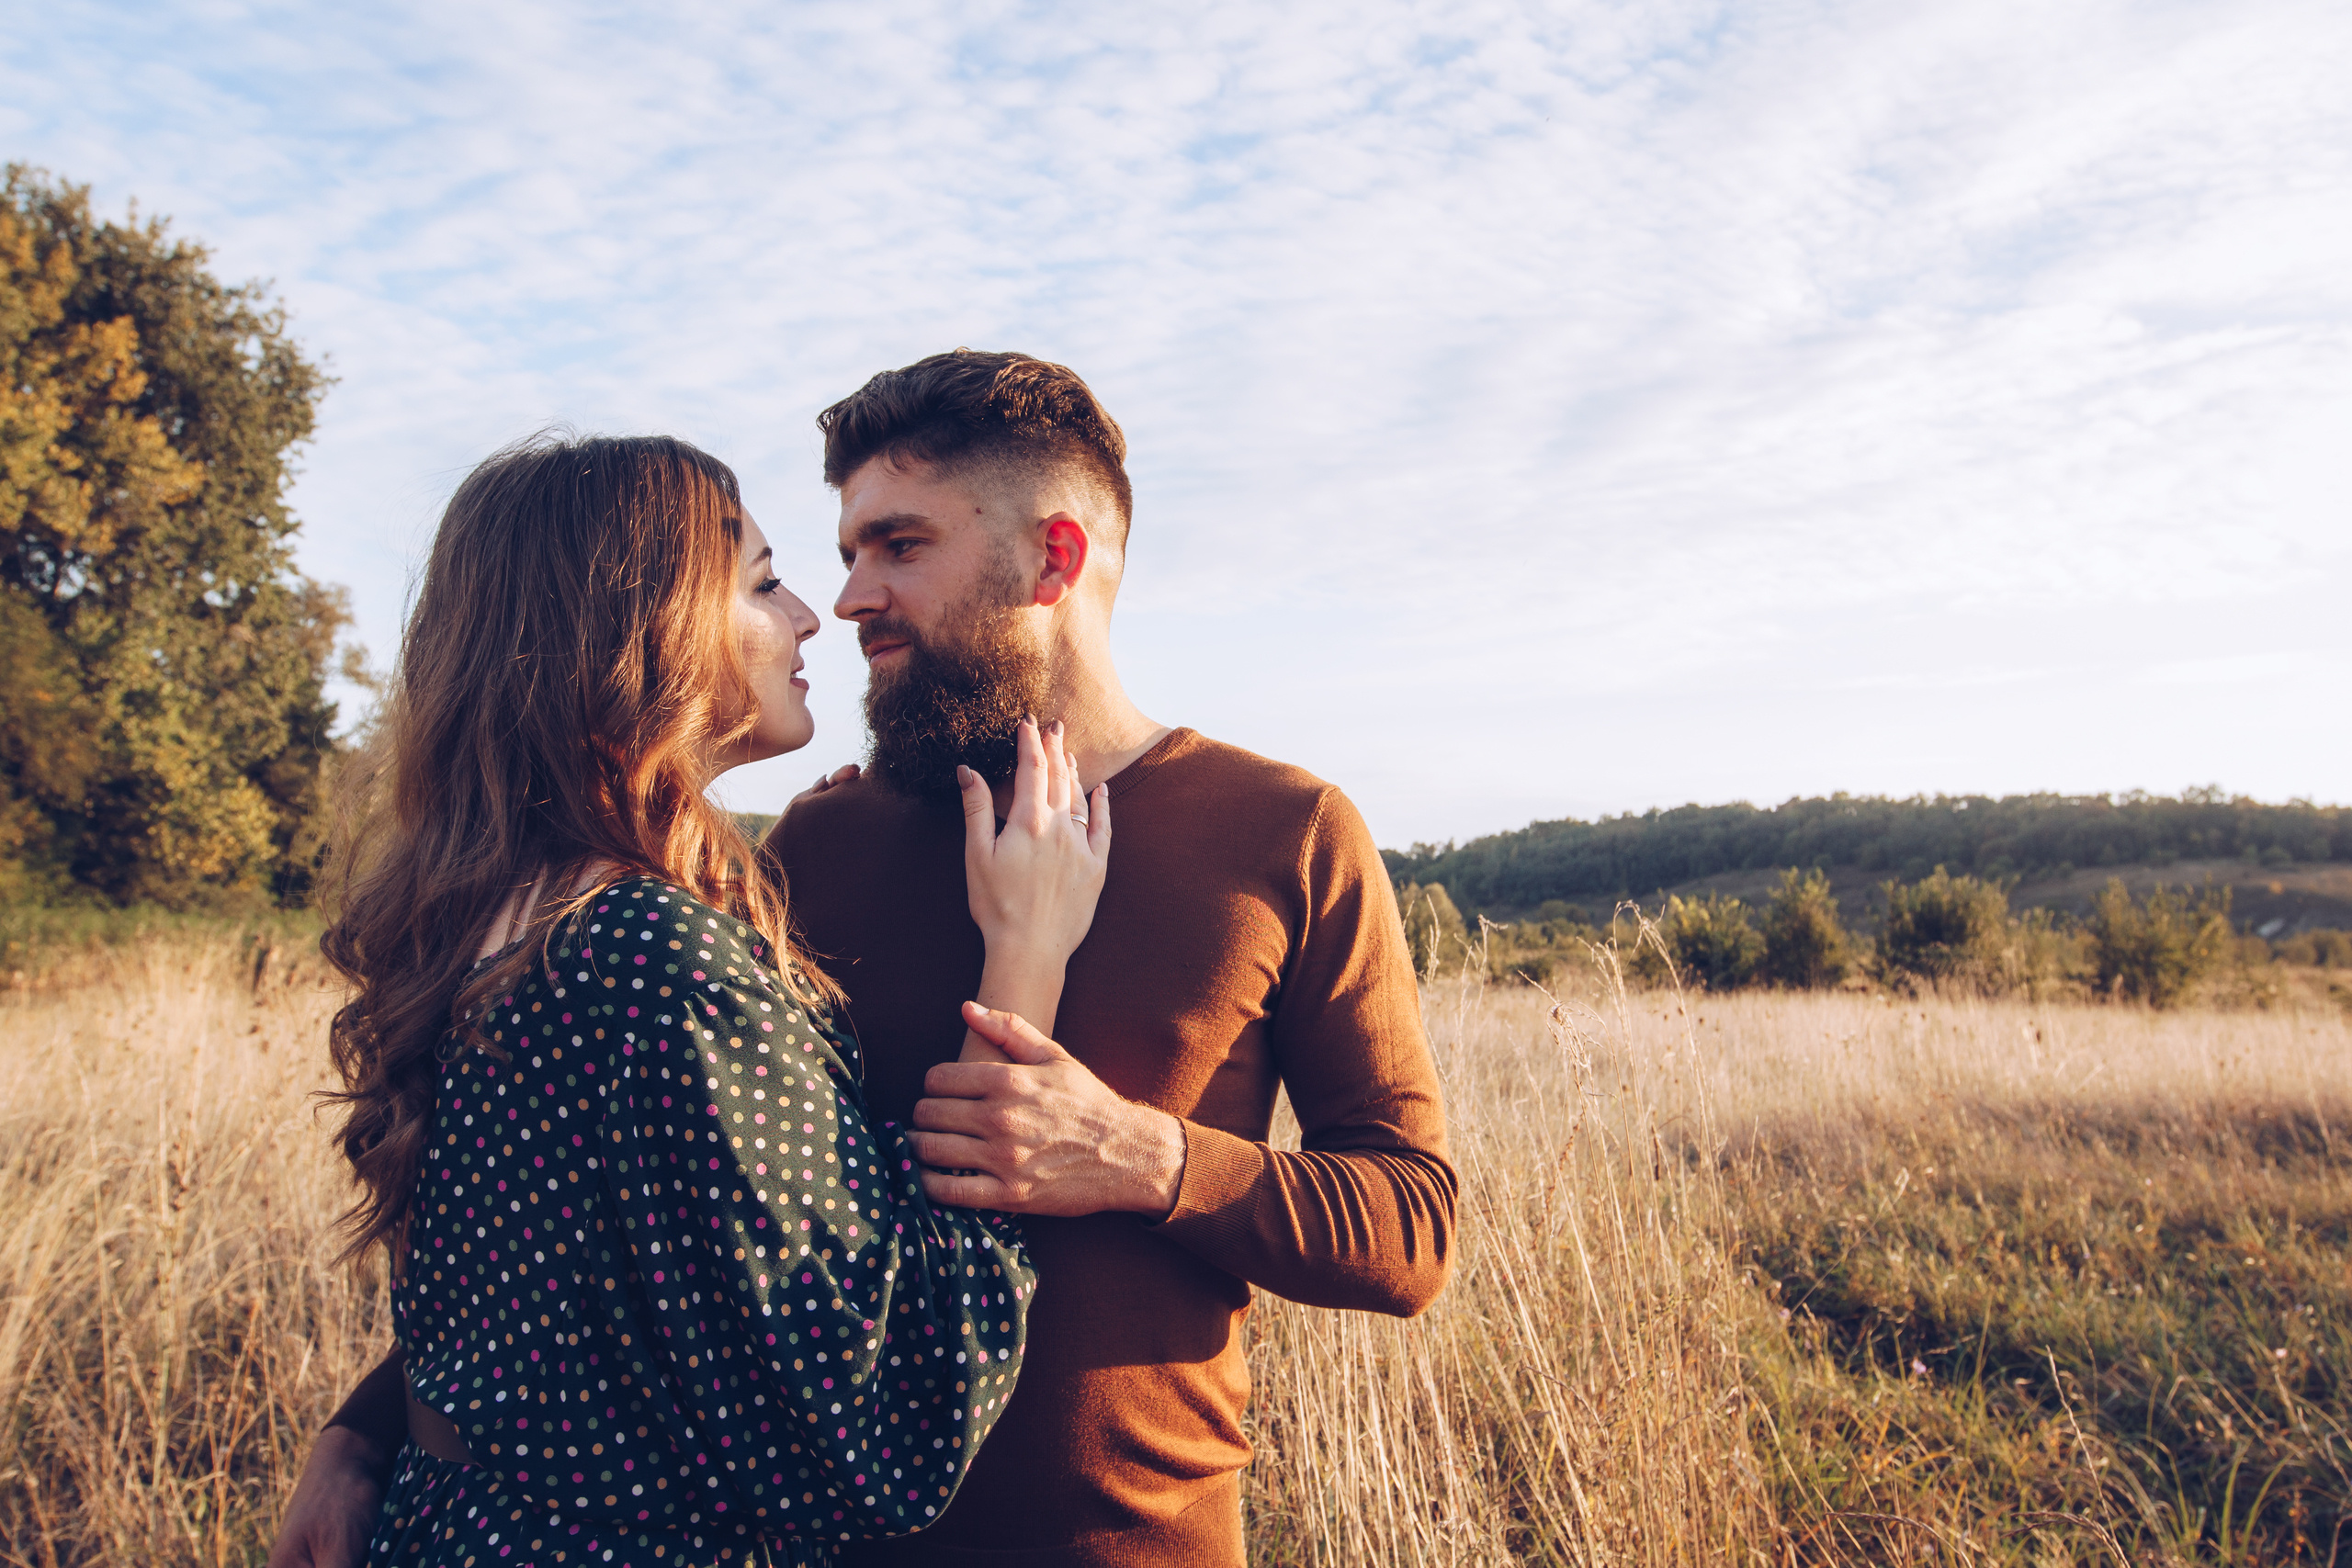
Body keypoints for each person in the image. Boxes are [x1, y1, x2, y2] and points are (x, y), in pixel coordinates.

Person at [279, 433, 1113, 1567]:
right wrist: (1027, 954)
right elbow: (883, 1427)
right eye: (765, 582)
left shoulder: (500, 919)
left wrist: (360, 1438)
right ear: (645, 630)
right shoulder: (659, 968)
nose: (815, 616)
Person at [770, 350, 1457, 1564]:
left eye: (900, 545)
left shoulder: (1288, 831)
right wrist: (362, 1433)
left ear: (1056, 557)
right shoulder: (818, 841)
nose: (854, 596)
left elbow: (1411, 1228)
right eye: (847, 555)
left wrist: (1141, 1155)